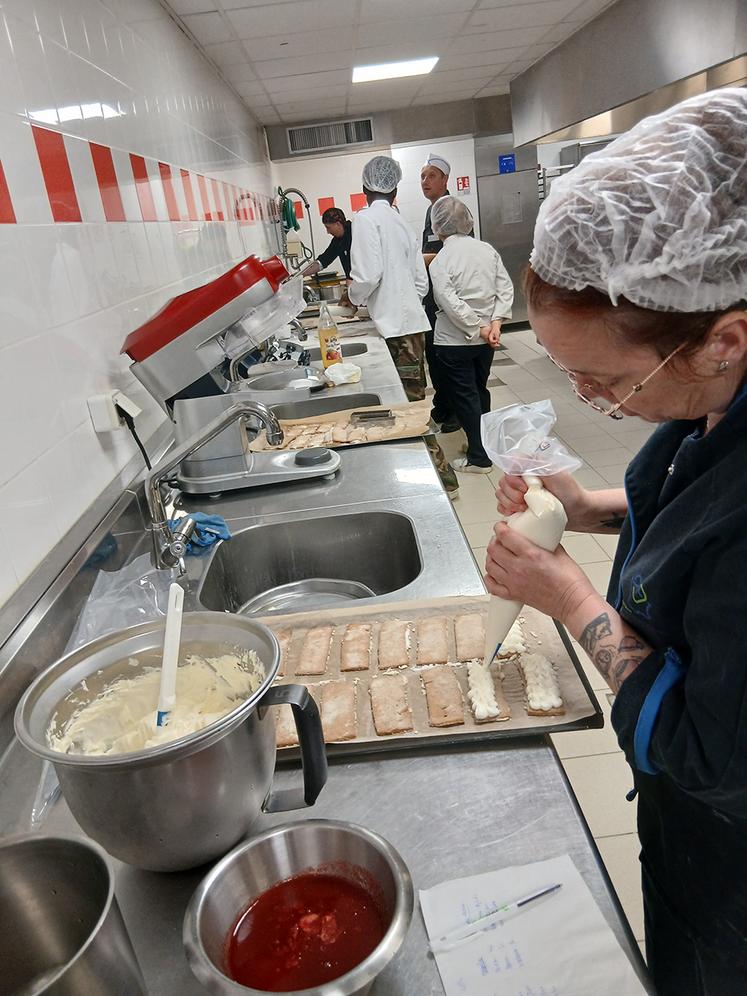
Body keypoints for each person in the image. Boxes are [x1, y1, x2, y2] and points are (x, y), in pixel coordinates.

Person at [484, 89, 747, 996]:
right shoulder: (712, 406)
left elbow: (712, 756)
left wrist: (569, 597)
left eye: (607, 382)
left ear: (723, 337)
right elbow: (688, 520)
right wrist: (576, 502)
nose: (596, 403)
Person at [349, 155, 458, 496]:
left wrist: (353, 297)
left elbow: (367, 275)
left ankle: (444, 481)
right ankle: (417, 477)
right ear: (395, 189)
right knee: (409, 404)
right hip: (410, 325)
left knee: (408, 410)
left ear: (365, 188)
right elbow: (419, 281)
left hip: (395, 329)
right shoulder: (401, 222)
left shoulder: (366, 220)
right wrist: (403, 303)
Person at [429, 195, 513, 474]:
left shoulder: (441, 260)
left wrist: (478, 326)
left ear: (437, 227)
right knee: (480, 390)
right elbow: (505, 287)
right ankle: (483, 445)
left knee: (465, 396)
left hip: (456, 341)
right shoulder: (486, 249)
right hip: (487, 340)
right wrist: (495, 324)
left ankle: (479, 458)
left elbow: (448, 301)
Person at [420, 152, 459, 432]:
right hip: (435, 296)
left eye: (431, 176)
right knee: (435, 353)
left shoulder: (450, 209)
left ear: (445, 179)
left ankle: (455, 412)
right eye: (422, 176)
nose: (425, 181)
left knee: (447, 355)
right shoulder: (432, 209)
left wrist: (410, 259)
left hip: (450, 296)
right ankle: (443, 406)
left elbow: (447, 253)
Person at [301, 206, 352, 279]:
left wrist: (351, 279)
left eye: (328, 227)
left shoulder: (355, 233)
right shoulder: (337, 241)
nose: (328, 232)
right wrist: (299, 275)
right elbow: (323, 260)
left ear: (338, 224)